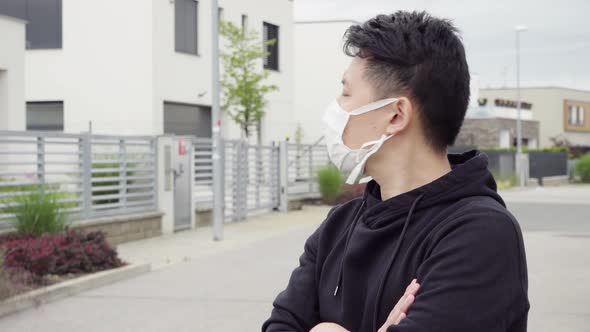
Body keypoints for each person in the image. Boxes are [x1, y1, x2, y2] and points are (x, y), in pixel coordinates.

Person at [262, 10, 530, 332]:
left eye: (346, 94)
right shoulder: (339, 225)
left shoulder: (479, 234)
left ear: (395, 115)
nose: (335, 108)